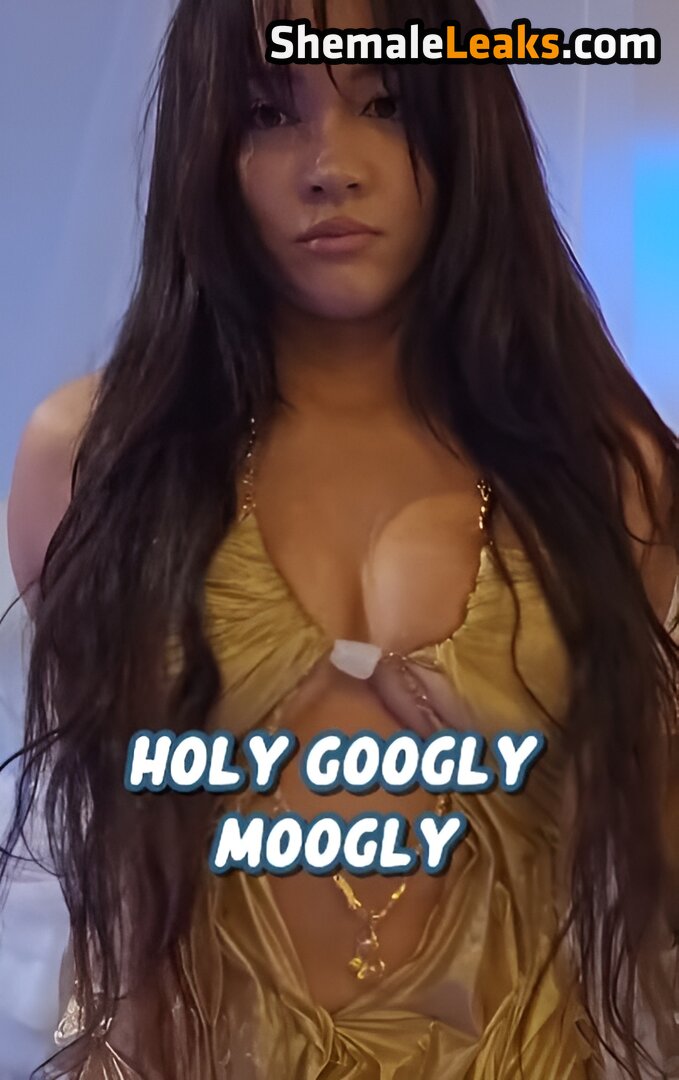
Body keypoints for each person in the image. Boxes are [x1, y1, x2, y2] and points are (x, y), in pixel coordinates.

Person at [2, 0, 678, 1077]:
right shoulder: (93, 463)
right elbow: (113, 882)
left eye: (386, 104)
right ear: (203, 144)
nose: (330, 168)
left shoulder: (607, 470)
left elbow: (654, 874)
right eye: (268, 114)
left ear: (465, 123)